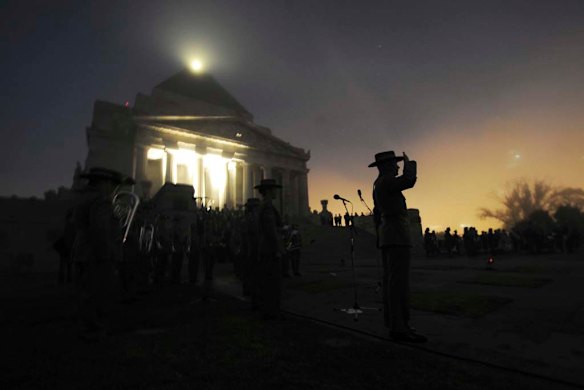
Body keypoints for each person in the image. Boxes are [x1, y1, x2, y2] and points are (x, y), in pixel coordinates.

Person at [70, 167, 133, 341]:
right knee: (97, 292)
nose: (114, 189)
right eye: (113, 185)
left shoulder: (83, 198)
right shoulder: (101, 201)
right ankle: (94, 331)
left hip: (83, 251)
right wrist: (108, 254)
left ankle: (87, 328)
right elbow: (100, 230)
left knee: (85, 292)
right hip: (97, 253)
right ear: (104, 183)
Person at [370, 151, 427, 343]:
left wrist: (380, 236)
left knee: (392, 283)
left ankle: (396, 324)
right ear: (386, 166)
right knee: (398, 285)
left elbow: (377, 215)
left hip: (389, 235)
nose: (397, 167)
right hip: (396, 235)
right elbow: (409, 180)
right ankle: (399, 328)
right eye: (395, 164)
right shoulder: (386, 181)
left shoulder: (378, 184)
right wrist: (410, 164)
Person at [255, 179, 284, 320]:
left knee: (268, 281)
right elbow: (270, 230)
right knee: (272, 282)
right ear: (267, 191)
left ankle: (269, 309)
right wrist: (277, 249)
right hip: (269, 250)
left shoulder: (266, 206)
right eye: (273, 189)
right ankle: (271, 311)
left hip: (266, 249)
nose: (276, 192)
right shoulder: (267, 207)